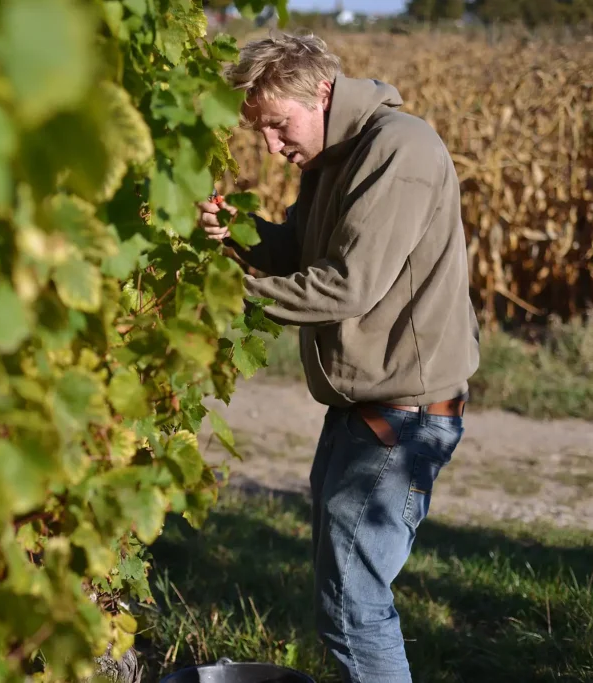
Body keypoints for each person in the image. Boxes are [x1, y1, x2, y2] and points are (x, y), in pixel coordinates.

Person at [197, 32, 480, 683]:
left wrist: (229, 298)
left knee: (353, 607)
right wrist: (235, 231)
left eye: (277, 125)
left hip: (401, 417)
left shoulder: (398, 151)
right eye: (259, 131)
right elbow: (295, 249)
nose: (271, 146)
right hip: (362, 408)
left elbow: (347, 284)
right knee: (342, 598)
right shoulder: (330, 157)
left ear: (321, 93)